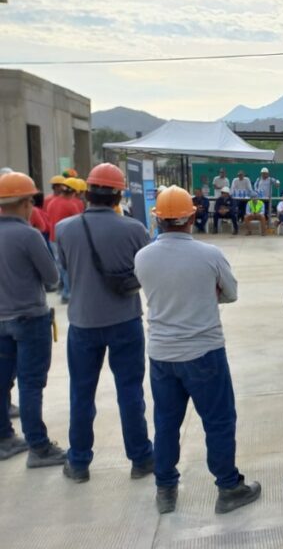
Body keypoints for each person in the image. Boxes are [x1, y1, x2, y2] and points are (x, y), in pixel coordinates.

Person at [134, 186, 260, 515]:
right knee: (218, 421)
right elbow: (230, 294)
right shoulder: (209, 255)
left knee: (165, 422)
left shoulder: (143, 256)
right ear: (192, 216)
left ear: (157, 220)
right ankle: (229, 487)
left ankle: (165, 489)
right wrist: (207, 295)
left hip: (162, 354)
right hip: (204, 351)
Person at [55, 163, 153, 483]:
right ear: (118, 194)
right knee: (130, 391)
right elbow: (146, 271)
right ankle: (140, 459)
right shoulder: (135, 229)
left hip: (83, 323)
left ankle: (79, 462)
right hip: (125, 320)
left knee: (81, 394)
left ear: (88, 192)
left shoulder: (66, 229)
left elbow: (65, 271)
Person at [0, 172, 65, 467]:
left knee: (2, 381)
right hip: (29, 317)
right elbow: (52, 278)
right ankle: (38, 447)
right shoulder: (28, 235)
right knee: (30, 384)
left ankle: (4, 438)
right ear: (27, 203)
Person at [45, 176, 83, 304]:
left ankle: (63, 289)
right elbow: (80, 222)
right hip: (67, 240)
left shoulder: (51, 202)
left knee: (60, 265)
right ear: (73, 192)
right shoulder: (71, 205)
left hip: (53, 238)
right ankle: (67, 292)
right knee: (68, 266)